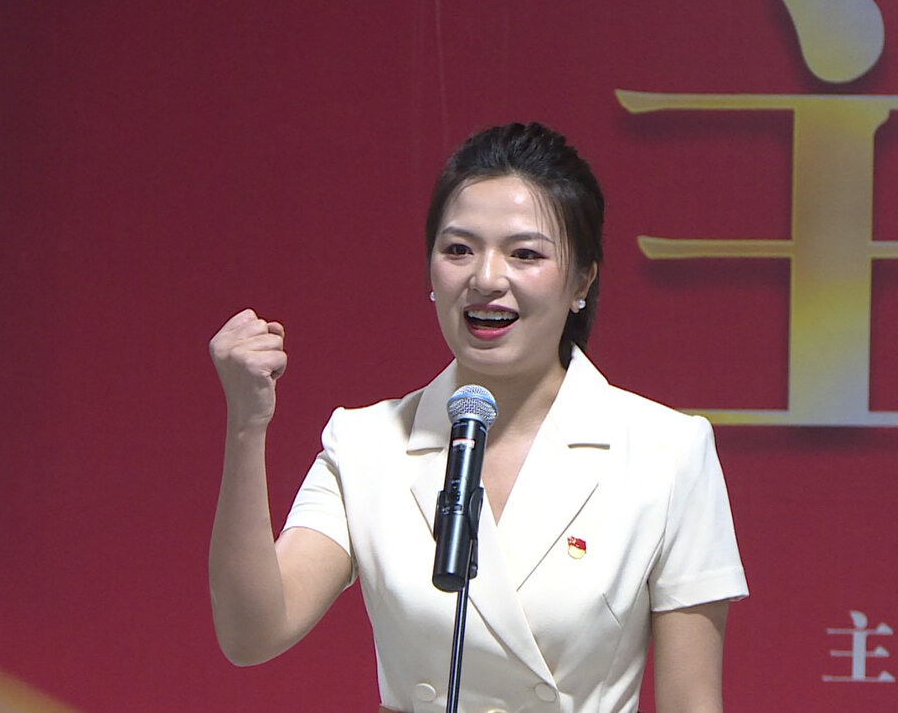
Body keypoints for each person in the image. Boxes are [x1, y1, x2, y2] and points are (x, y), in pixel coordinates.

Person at [208, 122, 748, 713]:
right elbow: (251, 633)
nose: (486, 279)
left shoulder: (668, 451)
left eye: (525, 254)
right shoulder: (365, 444)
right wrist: (247, 425)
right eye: (459, 250)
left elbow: (692, 701)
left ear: (582, 280)